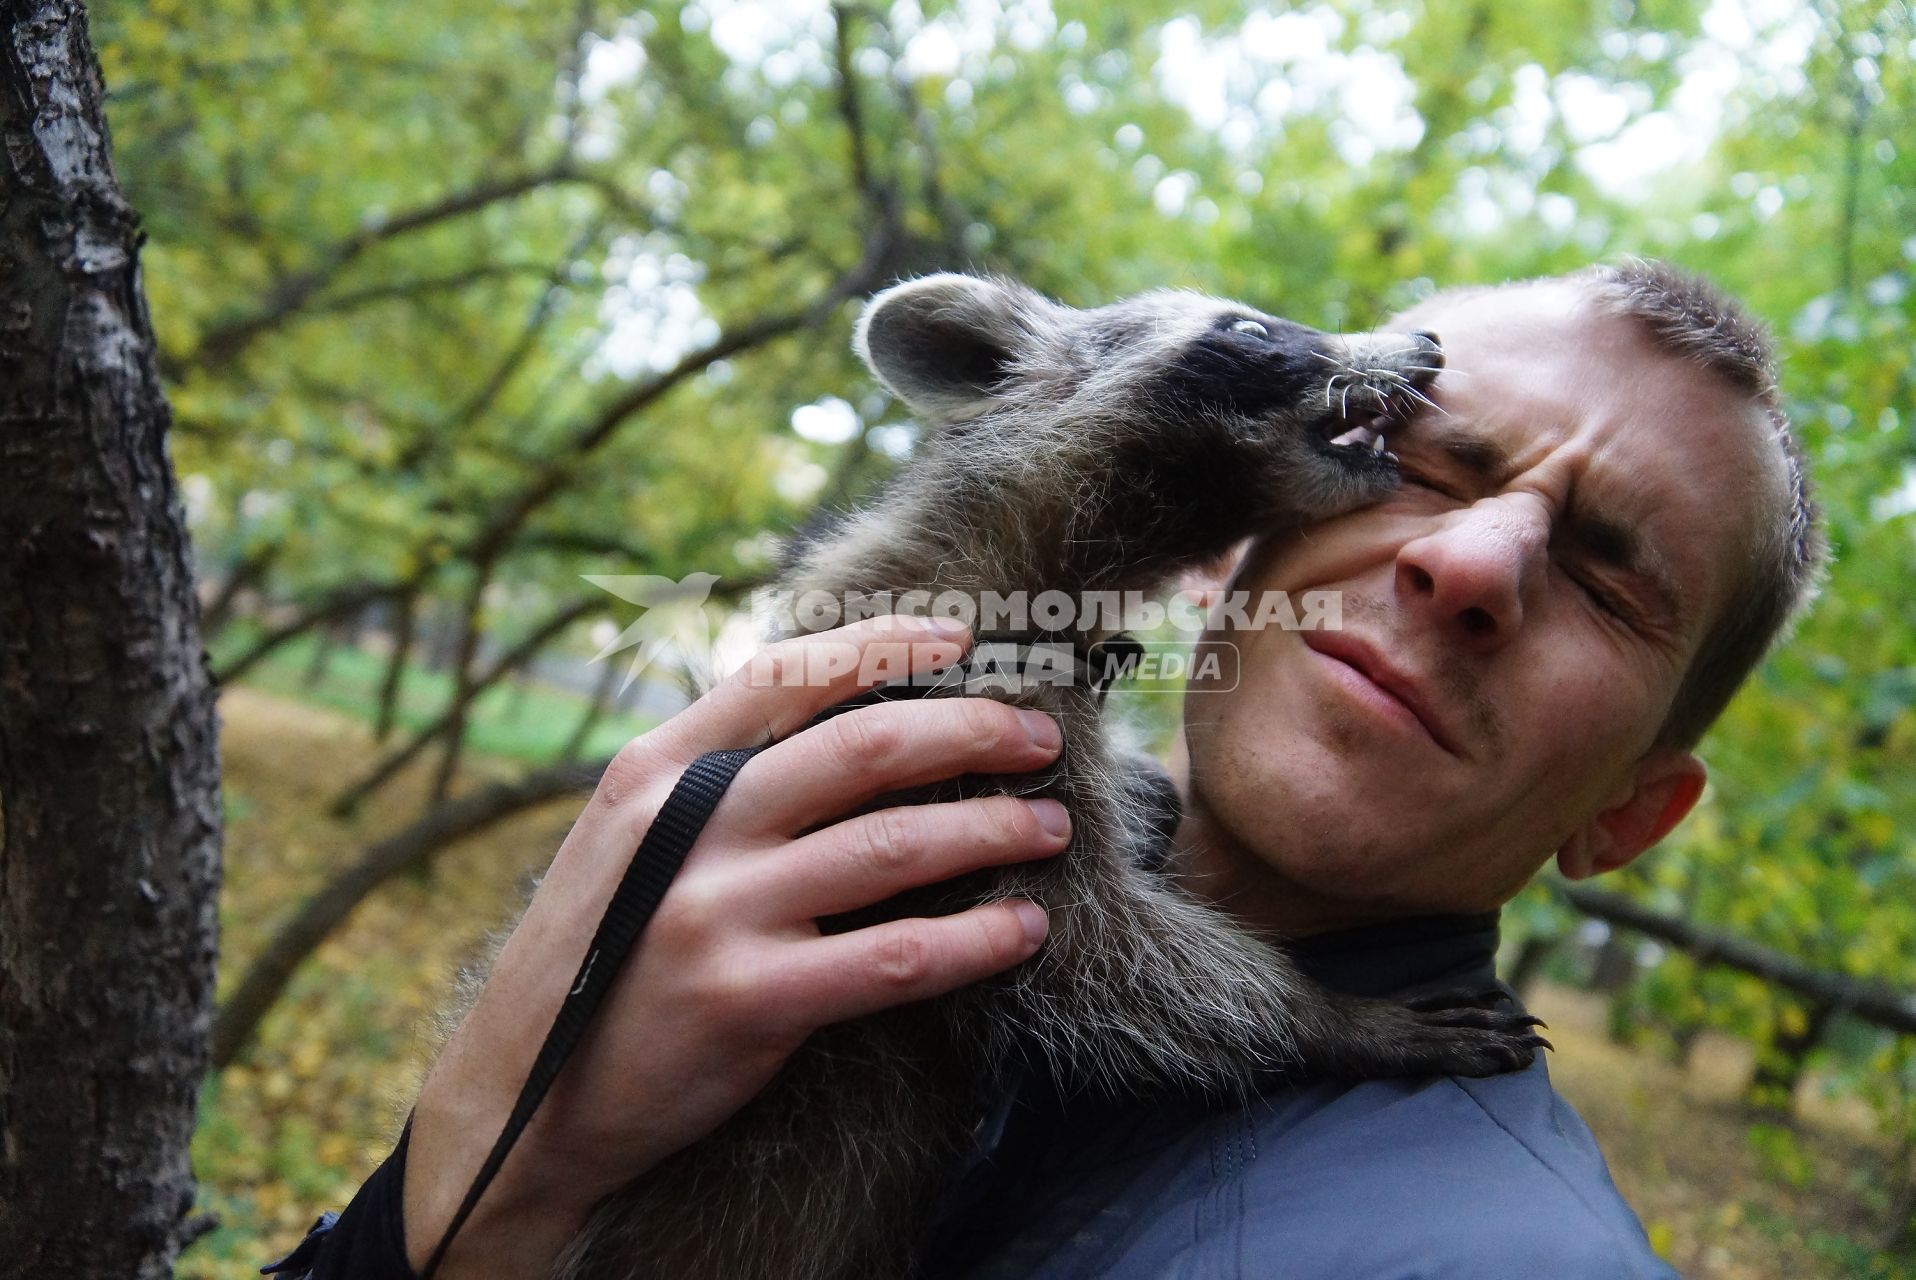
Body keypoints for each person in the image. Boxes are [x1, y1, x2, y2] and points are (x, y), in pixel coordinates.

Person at [264, 260, 1823, 1278]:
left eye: (1611, 584)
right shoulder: (908, 726)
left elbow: (1076, 956)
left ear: (1631, 815)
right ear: (1230, 559)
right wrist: (472, 1191)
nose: (1471, 563)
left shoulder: (1468, 1248)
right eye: (1415, 461)